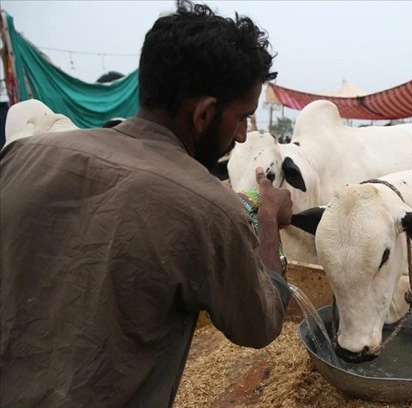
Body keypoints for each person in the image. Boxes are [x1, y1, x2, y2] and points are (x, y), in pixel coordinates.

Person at [0, 1, 293, 407]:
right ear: (205, 114)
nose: (243, 136)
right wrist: (269, 217)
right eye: (242, 117)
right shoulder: (209, 210)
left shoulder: (22, 156)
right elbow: (260, 325)